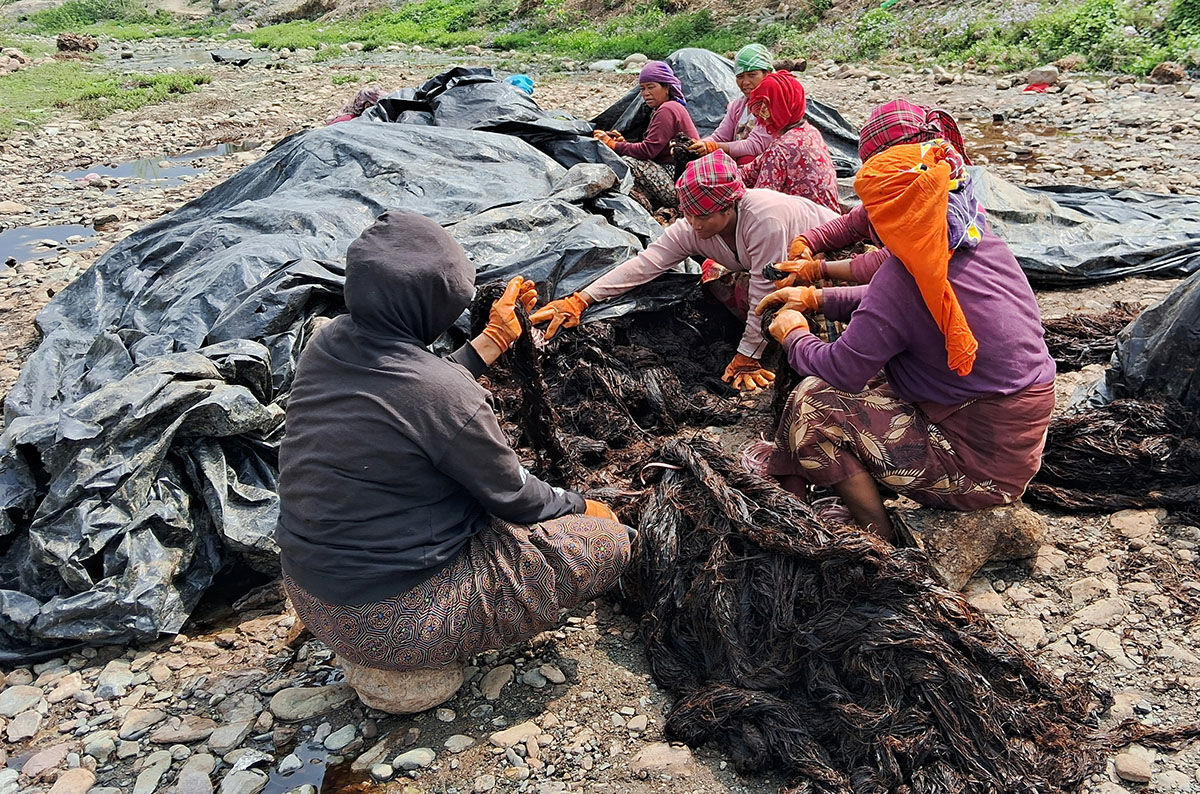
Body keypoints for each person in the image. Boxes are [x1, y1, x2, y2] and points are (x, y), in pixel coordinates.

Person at [275, 211, 631, 711]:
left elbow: (413, 396)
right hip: (393, 619)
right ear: (436, 304)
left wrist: (494, 340)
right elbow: (518, 499)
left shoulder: (327, 342)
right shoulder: (446, 398)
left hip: (312, 591)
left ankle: (363, 644)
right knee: (605, 543)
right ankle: (410, 660)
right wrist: (583, 506)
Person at [752, 140, 1053, 540]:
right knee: (862, 378)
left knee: (814, 404)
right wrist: (816, 298)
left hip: (981, 468)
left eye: (874, 215)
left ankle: (877, 536)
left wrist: (794, 333)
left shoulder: (903, 278)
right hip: (1016, 441)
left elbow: (842, 369)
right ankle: (817, 487)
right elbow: (900, 307)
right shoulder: (979, 242)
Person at [530, 150, 839, 392]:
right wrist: (581, 299)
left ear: (729, 207)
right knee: (714, 287)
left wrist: (748, 356)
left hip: (826, 258)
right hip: (771, 270)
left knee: (788, 309)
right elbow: (645, 264)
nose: (695, 224)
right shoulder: (692, 227)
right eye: (688, 214)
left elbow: (765, 287)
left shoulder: (763, 219)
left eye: (703, 216)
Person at [777, 98, 973, 287]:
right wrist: (806, 241)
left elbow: (889, 265)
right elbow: (851, 225)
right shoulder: (901, 194)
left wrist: (818, 272)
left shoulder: (940, 209)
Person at [594, 61, 699, 210]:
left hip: (681, 185)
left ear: (666, 87)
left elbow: (648, 151)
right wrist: (624, 142)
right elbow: (654, 145)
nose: (645, 93)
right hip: (679, 180)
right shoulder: (665, 108)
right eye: (642, 89)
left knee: (629, 163)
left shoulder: (667, 109)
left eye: (651, 87)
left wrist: (613, 145)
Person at [738, 71, 840, 212]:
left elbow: (759, 206)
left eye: (766, 108)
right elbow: (753, 168)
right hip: (830, 219)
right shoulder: (809, 131)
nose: (761, 116)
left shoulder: (781, 149)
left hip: (808, 228)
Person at [687, 44, 775, 165]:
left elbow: (755, 145)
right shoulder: (738, 107)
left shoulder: (773, 104)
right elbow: (720, 136)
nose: (745, 82)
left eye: (752, 75)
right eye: (740, 77)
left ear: (767, 74)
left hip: (767, 169)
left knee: (747, 158)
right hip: (740, 169)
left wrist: (713, 146)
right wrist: (700, 144)